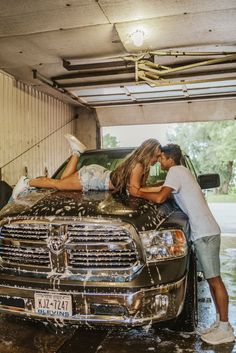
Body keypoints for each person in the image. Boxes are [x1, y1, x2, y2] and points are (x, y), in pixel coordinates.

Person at [135, 143, 234, 345]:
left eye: (161, 157)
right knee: (211, 280)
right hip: (206, 231)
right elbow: (162, 189)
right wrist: (141, 188)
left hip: (205, 234)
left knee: (215, 281)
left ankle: (226, 328)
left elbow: (161, 196)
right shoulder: (181, 172)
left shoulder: (174, 171)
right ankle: (220, 323)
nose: (159, 161)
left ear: (170, 159)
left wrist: (137, 193)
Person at [12, 134, 162, 199]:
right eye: (157, 155)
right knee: (57, 184)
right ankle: (27, 181)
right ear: (148, 153)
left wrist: (159, 188)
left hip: (97, 175)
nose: (158, 159)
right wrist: (162, 190)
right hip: (93, 179)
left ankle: (76, 152)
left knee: (63, 180)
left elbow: (140, 188)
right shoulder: (138, 166)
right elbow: (135, 191)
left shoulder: (142, 166)